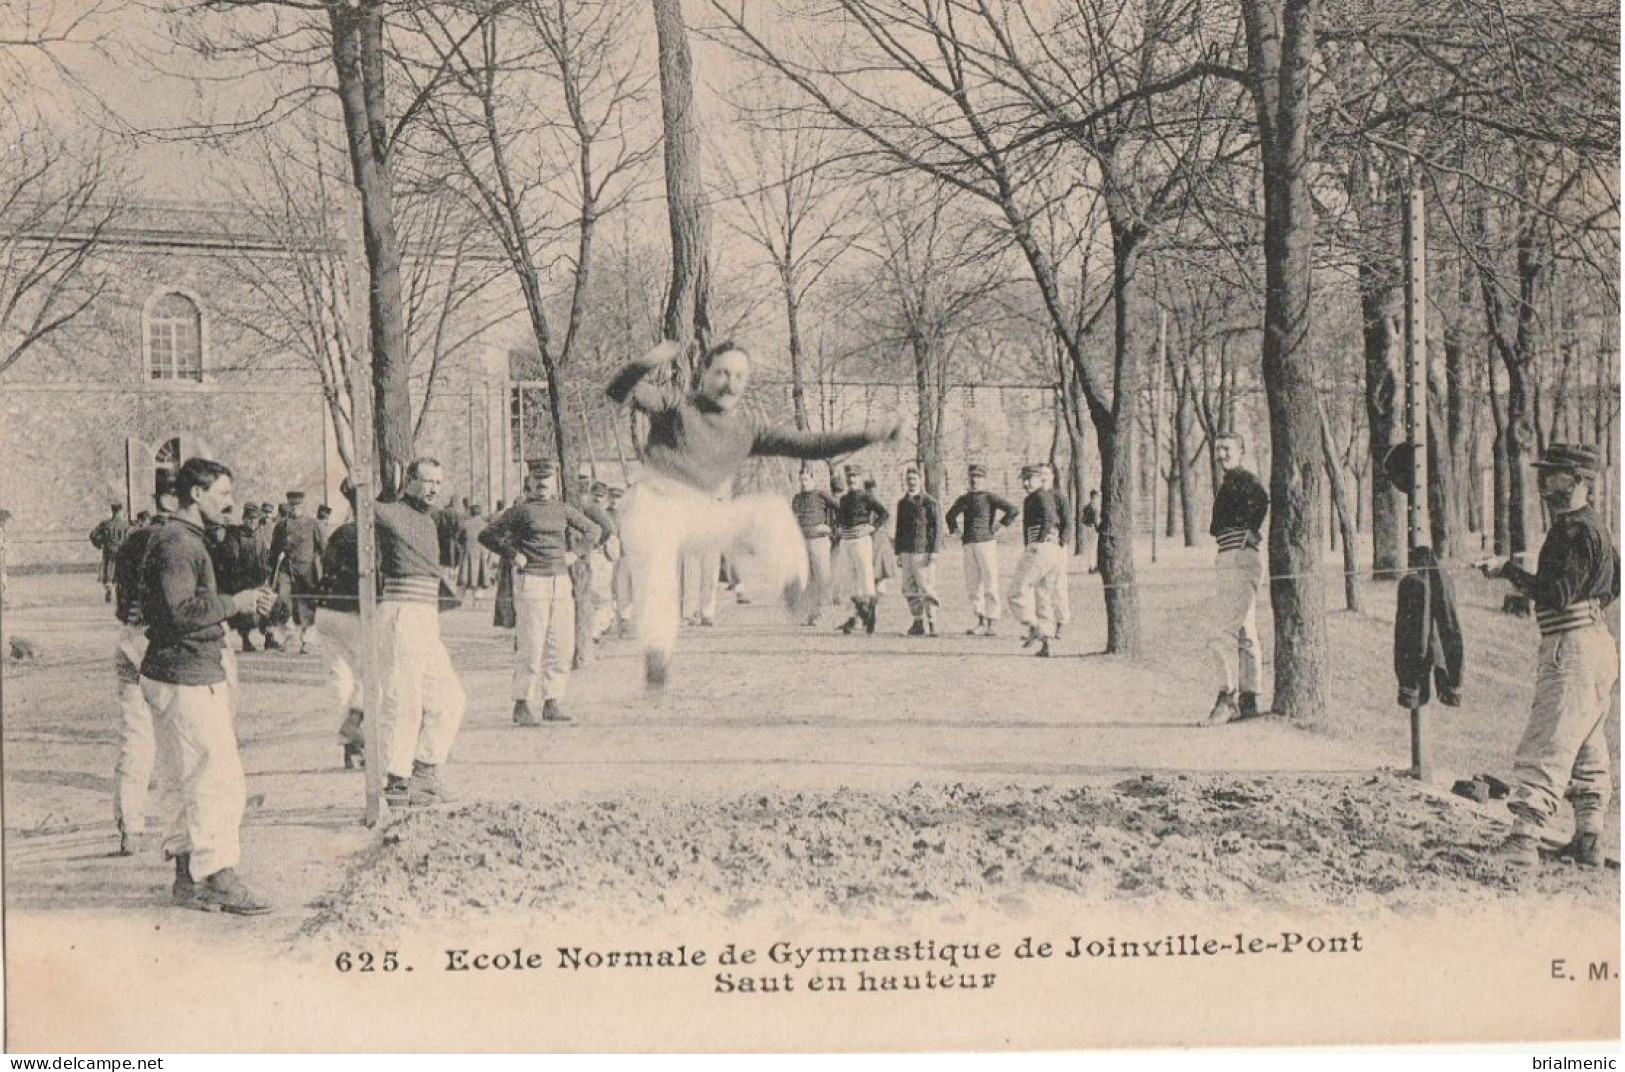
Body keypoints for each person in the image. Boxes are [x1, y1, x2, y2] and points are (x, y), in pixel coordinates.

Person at [606, 339, 898, 688]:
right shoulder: (676, 405)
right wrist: (645, 362)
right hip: (651, 506)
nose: (730, 383)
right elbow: (618, 391)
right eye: (722, 373)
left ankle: (795, 593)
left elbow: (809, 443)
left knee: (770, 510)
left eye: (739, 376)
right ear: (703, 374)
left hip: (698, 511)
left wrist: (867, 435)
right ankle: (657, 657)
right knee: (659, 575)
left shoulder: (747, 430)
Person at [139, 457, 275, 914]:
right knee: (218, 778)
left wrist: (240, 602)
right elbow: (179, 612)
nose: (230, 503)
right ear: (195, 495)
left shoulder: (179, 539)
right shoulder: (179, 543)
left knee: (181, 777)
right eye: (222, 494)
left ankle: (186, 878)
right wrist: (234, 603)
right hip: (189, 674)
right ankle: (219, 875)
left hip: (172, 672)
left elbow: (186, 603)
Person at [1476, 443, 1620, 870]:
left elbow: (1555, 595)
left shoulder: (1569, 531)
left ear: (1577, 479)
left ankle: (1522, 841)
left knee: (1549, 738)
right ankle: (1589, 839)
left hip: (1570, 648)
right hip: (1599, 644)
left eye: (1554, 473)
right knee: (1588, 746)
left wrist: (1508, 571)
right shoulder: (1598, 527)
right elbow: (1615, 585)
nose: (1543, 480)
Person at [480, 459, 603, 724]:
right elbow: (487, 535)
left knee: (561, 643)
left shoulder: (563, 509)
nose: (542, 484)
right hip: (532, 581)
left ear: (555, 482)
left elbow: (594, 530)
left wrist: (576, 553)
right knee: (531, 643)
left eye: (547, 479)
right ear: (529, 482)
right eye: (537, 479)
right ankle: (522, 703)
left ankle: (552, 700)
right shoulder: (521, 511)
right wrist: (513, 554)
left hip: (560, 581)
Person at [375, 458, 467, 806]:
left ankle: (425, 772)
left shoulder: (429, 520)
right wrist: (357, 484)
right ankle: (397, 781)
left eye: (438, 483)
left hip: (426, 617)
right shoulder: (393, 512)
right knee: (404, 700)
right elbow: (360, 501)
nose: (433, 488)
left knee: (449, 699)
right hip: (402, 614)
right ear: (409, 481)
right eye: (427, 481)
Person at [109, 472, 180, 857]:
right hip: (161, 643)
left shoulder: (133, 540)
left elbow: (122, 602)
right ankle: (178, 828)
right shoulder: (177, 541)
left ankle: (131, 826)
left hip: (130, 638)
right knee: (178, 737)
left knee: (135, 738)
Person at [1202, 432, 1270, 726]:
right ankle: (1250, 699)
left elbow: (1262, 499)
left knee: (1221, 632)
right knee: (1245, 630)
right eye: (1218, 450)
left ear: (1241, 452)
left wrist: (1249, 531)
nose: (1222, 455)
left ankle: (1227, 698)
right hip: (1235, 556)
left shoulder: (1244, 479)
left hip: (1239, 557)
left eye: (1227, 449)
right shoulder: (1230, 482)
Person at [317, 480, 366, 769]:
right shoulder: (371, 536)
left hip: (325, 611)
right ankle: (357, 719)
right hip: (354, 612)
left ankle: (349, 747)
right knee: (368, 675)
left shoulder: (339, 533)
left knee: (338, 678)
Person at [946, 463, 1019, 636]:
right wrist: (956, 531)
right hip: (968, 543)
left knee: (990, 581)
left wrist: (1001, 525)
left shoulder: (989, 497)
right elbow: (950, 516)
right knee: (973, 584)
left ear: (984, 479)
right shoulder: (963, 499)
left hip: (986, 543)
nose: (975, 481)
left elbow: (1013, 510)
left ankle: (992, 622)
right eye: (972, 477)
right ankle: (979, 620)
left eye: (978, 478)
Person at [1007, 464, 1066, 658]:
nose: (1025, 483)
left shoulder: (1040, 496)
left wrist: (1037, 542)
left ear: (1040, 479)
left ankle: (1033, 626)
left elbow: (1050, 518)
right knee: (1043, 595)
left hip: (1042, 548)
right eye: (1023, 479)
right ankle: (1046, 643)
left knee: (1016, 591)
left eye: (1029, 479)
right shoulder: (1035, 497)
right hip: (1052, 550)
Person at [832, 464, 891, 635]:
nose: (852, 480)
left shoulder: (866, 497)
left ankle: (869, 614)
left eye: (855, 477)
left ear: (860, 478)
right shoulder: (843, 499)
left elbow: (884, 513)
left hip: (861, 540)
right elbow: (840, 519)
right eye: (849, 477)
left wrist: (873, 527)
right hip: (846, 541)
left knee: (865, 576)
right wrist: (838, 529)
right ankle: (860, 614)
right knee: (849, 579)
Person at [567, 474, 615, 670]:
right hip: (588, 555)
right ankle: (591, 638)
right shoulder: (589, 507)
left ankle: (585, 641)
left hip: (576, 554)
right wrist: (595, 544)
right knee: (600, 600)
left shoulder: (571, 503)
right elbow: (608, 528)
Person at [270, 490, 325, 654]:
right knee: (282, 600)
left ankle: (306, 641)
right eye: (291, 505)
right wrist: (270, 569)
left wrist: (324, 569)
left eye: (298, 505)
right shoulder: (282, 525)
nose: (294, 509)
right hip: (287, 569)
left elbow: (322, 548)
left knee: (306, 605)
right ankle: (284, 638)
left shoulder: (312, 524)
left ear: (304, 505)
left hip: (306, 570)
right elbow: (274, 550)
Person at [893, 468, 944, 636]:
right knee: (908, 587)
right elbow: (899, 529)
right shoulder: (902, 503)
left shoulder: (929, 502)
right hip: (906, 551)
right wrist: (898, 552)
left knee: (926, 587)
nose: (911, 482)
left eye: (914, 479)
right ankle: (917, 622)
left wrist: (934, 550)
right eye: (909, 479)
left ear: (920, 480)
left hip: (922, 551)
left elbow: (937, 528)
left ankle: (933, 622)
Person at [215, 503, 269, 653]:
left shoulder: (260, 535)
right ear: (244, 519)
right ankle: (245, 638)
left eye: (255, 518)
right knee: (244, 612)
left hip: (257, 577)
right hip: (239, 578)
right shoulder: (235, 534)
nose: (252, 522)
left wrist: (265, 572)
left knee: (266, 605)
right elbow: (231, 556)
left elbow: (264, 556)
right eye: (249, 518)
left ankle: (268, 636)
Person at [790, 467, 840, 626]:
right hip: (802, 543)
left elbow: (841, 510)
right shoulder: (797, 498)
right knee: (807, 580)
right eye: (801, 480)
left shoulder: (821, 495)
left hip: (819, 541)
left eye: (806, 480)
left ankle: (822, 614)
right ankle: (810, 615)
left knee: (822, 577)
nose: (804, 483)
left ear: (813, 480)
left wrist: (831, 528)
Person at [1041, 464, 1074, 640]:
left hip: (1057, 545)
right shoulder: (1036, 497)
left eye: (1046, 474)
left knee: (1059, 585)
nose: (1043, 477)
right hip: (1041, 547)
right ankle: (1044, 625)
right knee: (1042, 587)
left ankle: (1061, 623)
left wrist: (1062, 541)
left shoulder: (1059, 496)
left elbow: (1068, 521)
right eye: (1040, 474)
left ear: (1052, 476)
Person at [90, 502, 131, 603]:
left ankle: (109, 587)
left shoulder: (105, 524)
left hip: (109, 550)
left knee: (109, 570)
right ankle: (121, 593)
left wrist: (99, 545)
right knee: (122, 571)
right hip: (122, 550)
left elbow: (92, 535)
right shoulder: (126, 524)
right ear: (120, 511)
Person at [459, 504, 492, 604]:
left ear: (471, 512)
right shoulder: (485, 525)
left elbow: (460, 538)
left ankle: (460, 599)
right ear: (480, 512)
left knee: (465, 574)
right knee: (480, 576)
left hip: (468, 551)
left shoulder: (465, 524)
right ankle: (477, 600)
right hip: (481, 552)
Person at [1080, 489, 1101, 574]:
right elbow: (1096, 521)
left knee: (1090, 548)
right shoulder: (1094, 508)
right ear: (1094, 497)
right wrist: (1098, 529)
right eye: (1096, 497)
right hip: (1093, 529)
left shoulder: (1086, 507)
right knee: (1093, 548)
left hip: (1087, 528)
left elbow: (1082, 520)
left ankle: (1091, 566)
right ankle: (1092, 567)